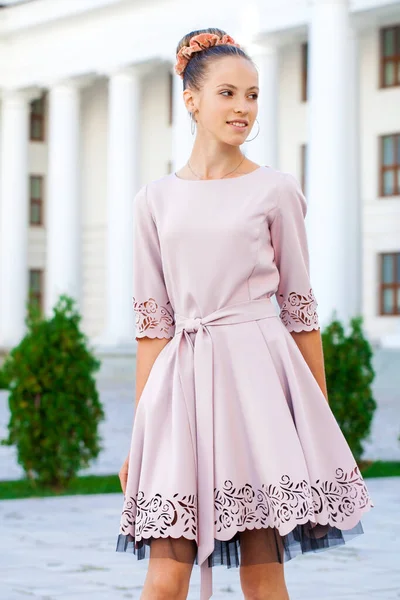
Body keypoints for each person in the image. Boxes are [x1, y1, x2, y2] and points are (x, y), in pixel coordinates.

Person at [115, 27, 374, 600]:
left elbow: (300, 312)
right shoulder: (152, 201)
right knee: (163, 578)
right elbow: (153, 327)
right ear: (192, 100)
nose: (244, 108)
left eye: (253, 95)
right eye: (229, 93)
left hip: (258, 391)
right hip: (180, 390)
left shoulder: (276, 190)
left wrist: (316, 421)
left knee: (263, 577)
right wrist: (140, 436)